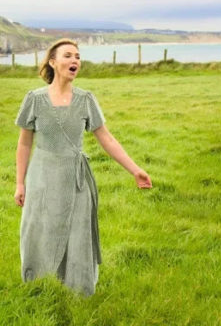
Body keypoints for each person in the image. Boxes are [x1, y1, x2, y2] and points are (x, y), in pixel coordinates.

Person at [14, 38, 152, 296]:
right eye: (68, 55)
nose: (75, 60)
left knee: (77, 232)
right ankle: (37, 286)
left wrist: (135, 170)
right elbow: (24, 144)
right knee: (37, 229)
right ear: (52, 62)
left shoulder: (86, 99)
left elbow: (107, 139)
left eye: (77, 56)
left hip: (75, 178)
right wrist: (20, 183)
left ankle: (77, 289)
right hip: (42, 176)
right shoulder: (34, 99)